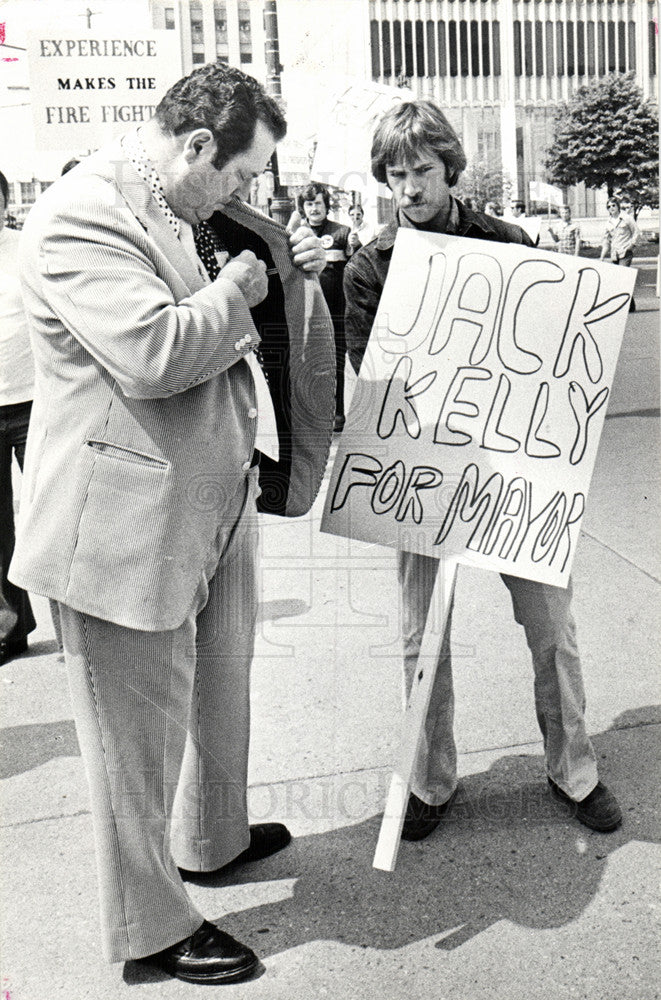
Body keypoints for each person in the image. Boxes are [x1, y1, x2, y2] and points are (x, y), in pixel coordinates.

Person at [9, 63, 331, 985]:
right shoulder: (81, 214)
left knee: (218, 694)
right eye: (237, 175)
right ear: (197, 146)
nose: (243, 192)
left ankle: (210, 836)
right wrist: (237, 285)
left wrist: (285, 276)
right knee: (132, 742)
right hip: (122, 523)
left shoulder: (172, 204)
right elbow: (155, 353)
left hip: (206, 503)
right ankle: (149, 926)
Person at [344, 99, 622, 845]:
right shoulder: (369, 266)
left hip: (513, 472)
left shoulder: (508, 242)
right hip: (425, 473)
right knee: (418, 638)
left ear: (450, 168)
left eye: (422, 171)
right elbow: (373, 379)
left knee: (550, 626)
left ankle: (575, 770)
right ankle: (431, 781)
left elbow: (554, 354)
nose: (408, 189)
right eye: (394, 175)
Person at [0, 169, 36, 665]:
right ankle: (10, 625)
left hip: (37, 402)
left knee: (59, 511)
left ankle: (87, 627)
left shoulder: (28, 248)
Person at [299, 181, 351, 432]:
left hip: (336, 312)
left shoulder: (342, 233)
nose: (314, 208)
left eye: (318, 202)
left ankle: (337, 412)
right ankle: (313, 412)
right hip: (307, 312)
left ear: (326, 205)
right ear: (303, 207)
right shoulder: (295, 235)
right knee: (309, 361)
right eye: (309, 203)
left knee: (336, 361)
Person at [601, 195, 638, 311]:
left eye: (613, 205)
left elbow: (636, 232)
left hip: (625, 252)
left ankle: (627, 306)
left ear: (618, 206)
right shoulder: (608, 223)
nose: (611, 208)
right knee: (620, 280)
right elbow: (606, 240)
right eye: (609, 206)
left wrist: (631, 246)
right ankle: (630, 305)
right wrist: (602, 256)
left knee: (622, 277)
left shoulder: (626, 218)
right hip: (615, 254)